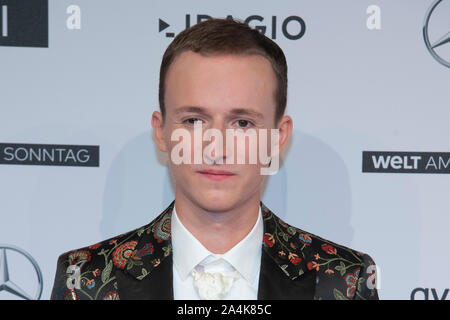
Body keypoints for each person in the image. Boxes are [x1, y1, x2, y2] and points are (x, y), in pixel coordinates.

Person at [51, 18, 379, 300]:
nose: (217, 147)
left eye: (242, 123)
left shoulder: (342, 280)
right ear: (161, 131)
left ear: (277, 138)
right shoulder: (86, 280)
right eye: (194, 120)